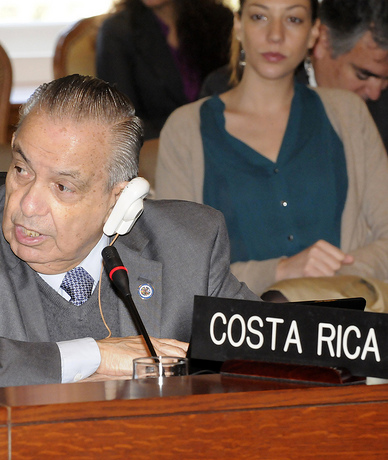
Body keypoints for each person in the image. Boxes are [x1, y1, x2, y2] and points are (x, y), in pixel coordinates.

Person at [0, 74, 257, 392]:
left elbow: (272, 357)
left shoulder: (187, 245)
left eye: (62, 187)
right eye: (21, 169)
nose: (27, 205)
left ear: (118, 199)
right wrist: (94, 356)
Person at [155, 0, 388, 300]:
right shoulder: (185, 129)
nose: (275, 35)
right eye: (259, 16)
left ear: (314, 33)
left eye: (293, 19)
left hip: (345, 320)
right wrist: (279, 272)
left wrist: (327, 277)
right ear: (239, 26)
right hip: (234, 323)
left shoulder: (349, 113)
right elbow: (179, 267)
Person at [200, 0, 388, 151]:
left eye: (386, 79)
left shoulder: (381, 110)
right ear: (322, 40)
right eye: (362, 75)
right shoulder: (225, 92)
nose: (375, 93)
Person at [96, 0, 233, 141]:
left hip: (224, 139)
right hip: (159, 146)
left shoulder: (220, 20)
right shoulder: (117, 32)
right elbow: (121, 122)